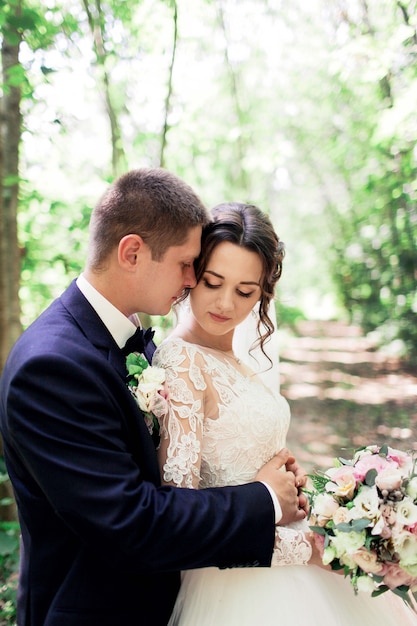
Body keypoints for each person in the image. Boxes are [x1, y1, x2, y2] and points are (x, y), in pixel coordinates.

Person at [0, 169, 311, 626]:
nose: (190, 281)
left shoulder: (126, 343)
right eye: (189, 265)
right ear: (132, 252)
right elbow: (133, 524)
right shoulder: (51, 366)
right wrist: (263, 498)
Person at [152, 202, 417, 626]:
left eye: (245, 291)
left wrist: (312, 495)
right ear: (191, 274)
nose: (225, 304)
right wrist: (309, 549)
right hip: (237, 583)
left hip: (285, 549)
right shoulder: (182, 362)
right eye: (212, 282)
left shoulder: (232, 357)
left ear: (263, 292)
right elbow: (183, 516)